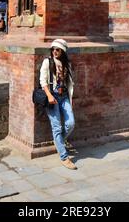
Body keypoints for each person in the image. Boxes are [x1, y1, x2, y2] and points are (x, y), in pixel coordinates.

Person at [40, 39, 77, 170]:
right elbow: (42, 81)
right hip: (53, 96)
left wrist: (70, 97)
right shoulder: (47, 62)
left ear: (63, 51)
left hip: (64, 96)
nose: (55, 52)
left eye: (58, 49)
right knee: (56, 127)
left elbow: (69, 82)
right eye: (53, 49)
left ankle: (58, 141)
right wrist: (49, 96)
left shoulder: (67, 64)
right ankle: (64, 157)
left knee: (70, 123)